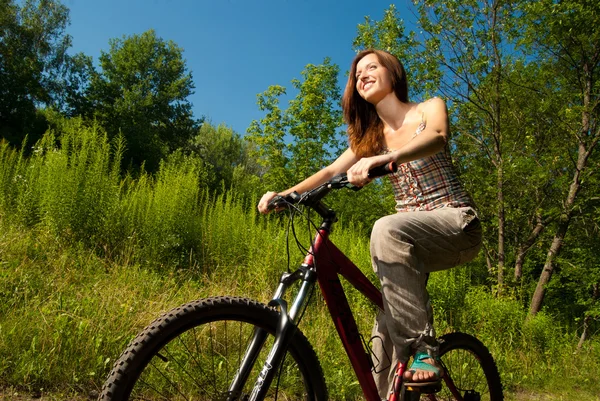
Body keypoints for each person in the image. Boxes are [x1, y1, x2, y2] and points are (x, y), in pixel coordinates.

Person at [257, 49, 482, 400]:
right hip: (410, 244)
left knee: (385, 227)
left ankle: (425, 350)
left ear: (392, 73)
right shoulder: (370, 138)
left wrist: (388, 157)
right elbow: (331, 171)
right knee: (383, 340)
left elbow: (437, 136)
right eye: (356, 74)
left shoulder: (429, 108)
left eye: (371, 68)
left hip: (456, 223)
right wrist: (285, 194)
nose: (362, 76)